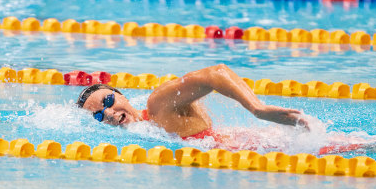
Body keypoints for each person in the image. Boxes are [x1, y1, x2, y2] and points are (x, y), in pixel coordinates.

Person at [76, 64, 309, 145]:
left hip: (270, 147)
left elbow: (215, 73)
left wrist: (258, 109)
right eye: (99, 115)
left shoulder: (157, 105)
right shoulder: (144, 133)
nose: (109, 112)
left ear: (122, 95)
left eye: (108, 101)